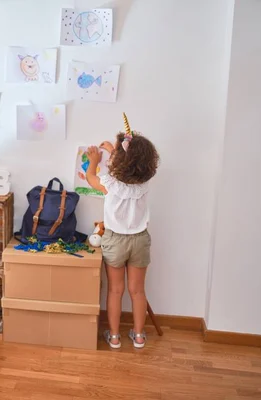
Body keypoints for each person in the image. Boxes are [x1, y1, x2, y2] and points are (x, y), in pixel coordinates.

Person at [85, 114, 160, 349]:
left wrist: (95, 160)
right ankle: (138, 336)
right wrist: (114, 150)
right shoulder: (144, 182)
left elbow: (90, 178)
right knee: (137, 291)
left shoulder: (110, 183)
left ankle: (115, 337)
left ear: (119, 159)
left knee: (115, 291)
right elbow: (127, 166)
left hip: (115, 241)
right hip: (139, 240)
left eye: (116, 151)